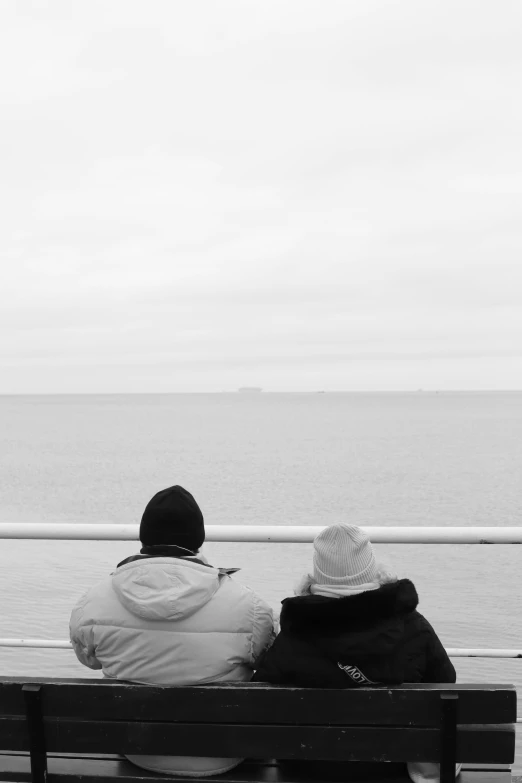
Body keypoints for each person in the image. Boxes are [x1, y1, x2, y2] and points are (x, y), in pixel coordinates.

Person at [70, 485, 275, 777]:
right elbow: (263, 661)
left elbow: (89, 661)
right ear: (198, 538)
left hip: (138, 751)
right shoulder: (249, 606)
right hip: (223, 756)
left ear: (144, 537)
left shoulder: (93, 601)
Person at [253, 523, 459, 783]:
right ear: (372, 568)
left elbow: (261, 695)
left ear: (316, 573)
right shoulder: (412, 626)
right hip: (392, 767)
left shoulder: (293, 633)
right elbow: (446, 681)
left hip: (305, 768)